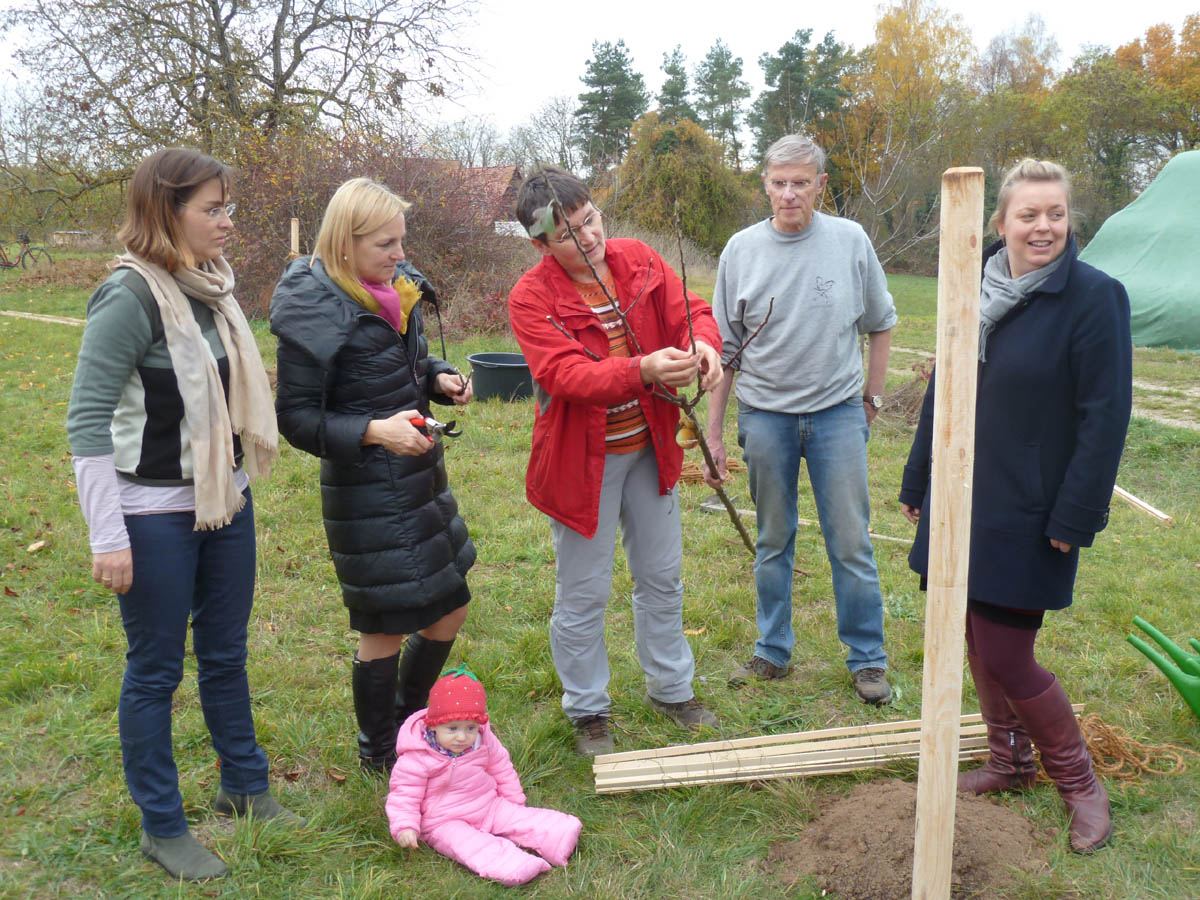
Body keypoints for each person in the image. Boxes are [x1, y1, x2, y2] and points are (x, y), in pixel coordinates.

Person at [66, 148, 302, 881]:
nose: (228, 221)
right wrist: (108, 536)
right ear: (168, 213)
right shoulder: (129, 297)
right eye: (213, 209)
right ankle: (162, 827)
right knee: (155, 670)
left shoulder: (212, 290)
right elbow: (86, 423)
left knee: (226, 653)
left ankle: (245, 787)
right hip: (150, 515)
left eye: (228, 206)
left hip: (225, 498)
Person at [898, 159, 1132, 854]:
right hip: (963, 495)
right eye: (1028, 215)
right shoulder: (972, 287)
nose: (1043, 227)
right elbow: (945, 387)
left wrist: (1076, 516)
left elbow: (1105, 416)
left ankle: (1081, 784)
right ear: (999, 224)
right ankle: (1007, 762)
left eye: (1055, 214)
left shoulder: (1094, 298)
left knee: (1007, 650)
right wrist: (918, 480)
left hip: (1030, 507)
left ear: (1069, 220)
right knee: (971, 631)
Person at [507, 167, 723, 756]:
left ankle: (672, 689)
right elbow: (565, 374)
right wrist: (642, 369)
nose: (588, 239)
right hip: (583, 465)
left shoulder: (639, 260)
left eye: (590, 221)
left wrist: (704, 344)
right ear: (540, 245)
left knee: (661, 577)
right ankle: (588, 710)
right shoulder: (532, 298)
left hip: (651, 451)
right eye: (568, 235)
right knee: (584, 591)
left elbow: (691, 309)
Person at [270, 177, 475, 775]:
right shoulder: (315, 313)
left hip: (420, 480)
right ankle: (380, 752)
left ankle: (411, 722)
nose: (399, 255)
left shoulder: (396, 293)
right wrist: (373, 431)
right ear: (345, 243)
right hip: (366, 493)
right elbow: (298, 419)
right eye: (385, 244)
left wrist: (436, 375)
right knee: (385, 627)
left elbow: (403, 363)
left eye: (401, 242)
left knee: (450, 607)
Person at [704, 134, 896, 705]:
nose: (789, 194)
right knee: (772, 538)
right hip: (765, 417)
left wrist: (872, 398)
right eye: (779, 182)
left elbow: (881, 322)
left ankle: (868, 659)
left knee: (850, 541)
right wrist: (713, 434)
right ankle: (772, 651)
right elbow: (725, 352)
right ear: (764, 183)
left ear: (820, 186)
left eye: (801, 183)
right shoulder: (740, 251)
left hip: (838, 414)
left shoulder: (849, 241)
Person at [386, 666, 583, 885]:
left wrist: (514, 801)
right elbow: (404, 794)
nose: (462, 737)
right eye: (452, 729)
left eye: (470, 728)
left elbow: (502, 768)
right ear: (434, 726)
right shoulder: (418, 756)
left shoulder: (483, 741)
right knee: (469, 844)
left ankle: (558, 834)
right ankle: (511, 864)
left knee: (519, 818)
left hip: (487, 804)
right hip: (443, 821)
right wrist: (405, 826)